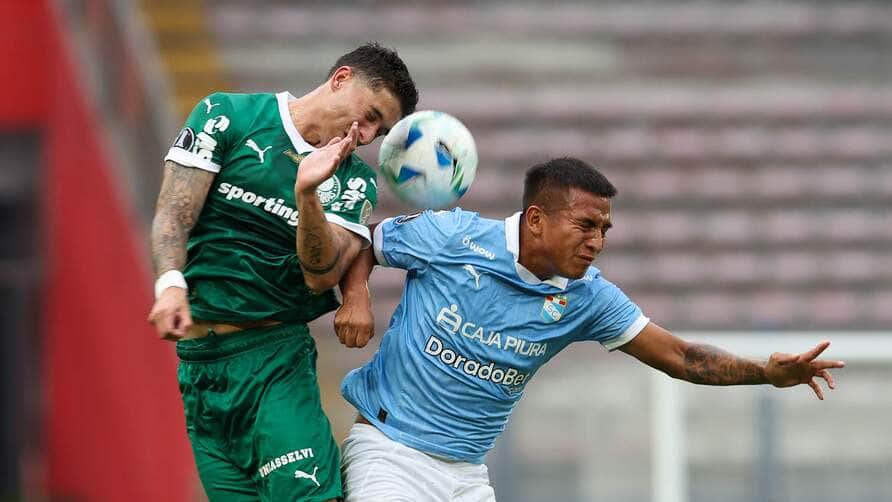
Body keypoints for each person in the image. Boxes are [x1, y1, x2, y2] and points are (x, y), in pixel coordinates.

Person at [333, 156, 846, 501]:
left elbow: (682, 358)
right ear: (536, 220)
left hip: (466, 473)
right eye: (585, 226)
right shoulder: (453, 235)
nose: (597, 241)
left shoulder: (588, 296)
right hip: (390, 451)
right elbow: (365, 243)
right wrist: (356, 298)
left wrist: (766, 372)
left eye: (604, 230)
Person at [146, 42, 418, 501]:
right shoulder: (227, 115)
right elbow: (175, 212)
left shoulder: (353, 181)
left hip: (273, 361)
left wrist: (308, 192)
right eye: (370, 115)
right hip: (199, 371)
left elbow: (320, 274)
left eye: (381, 129)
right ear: (340, 79)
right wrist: (171, 284)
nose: (368, 135)